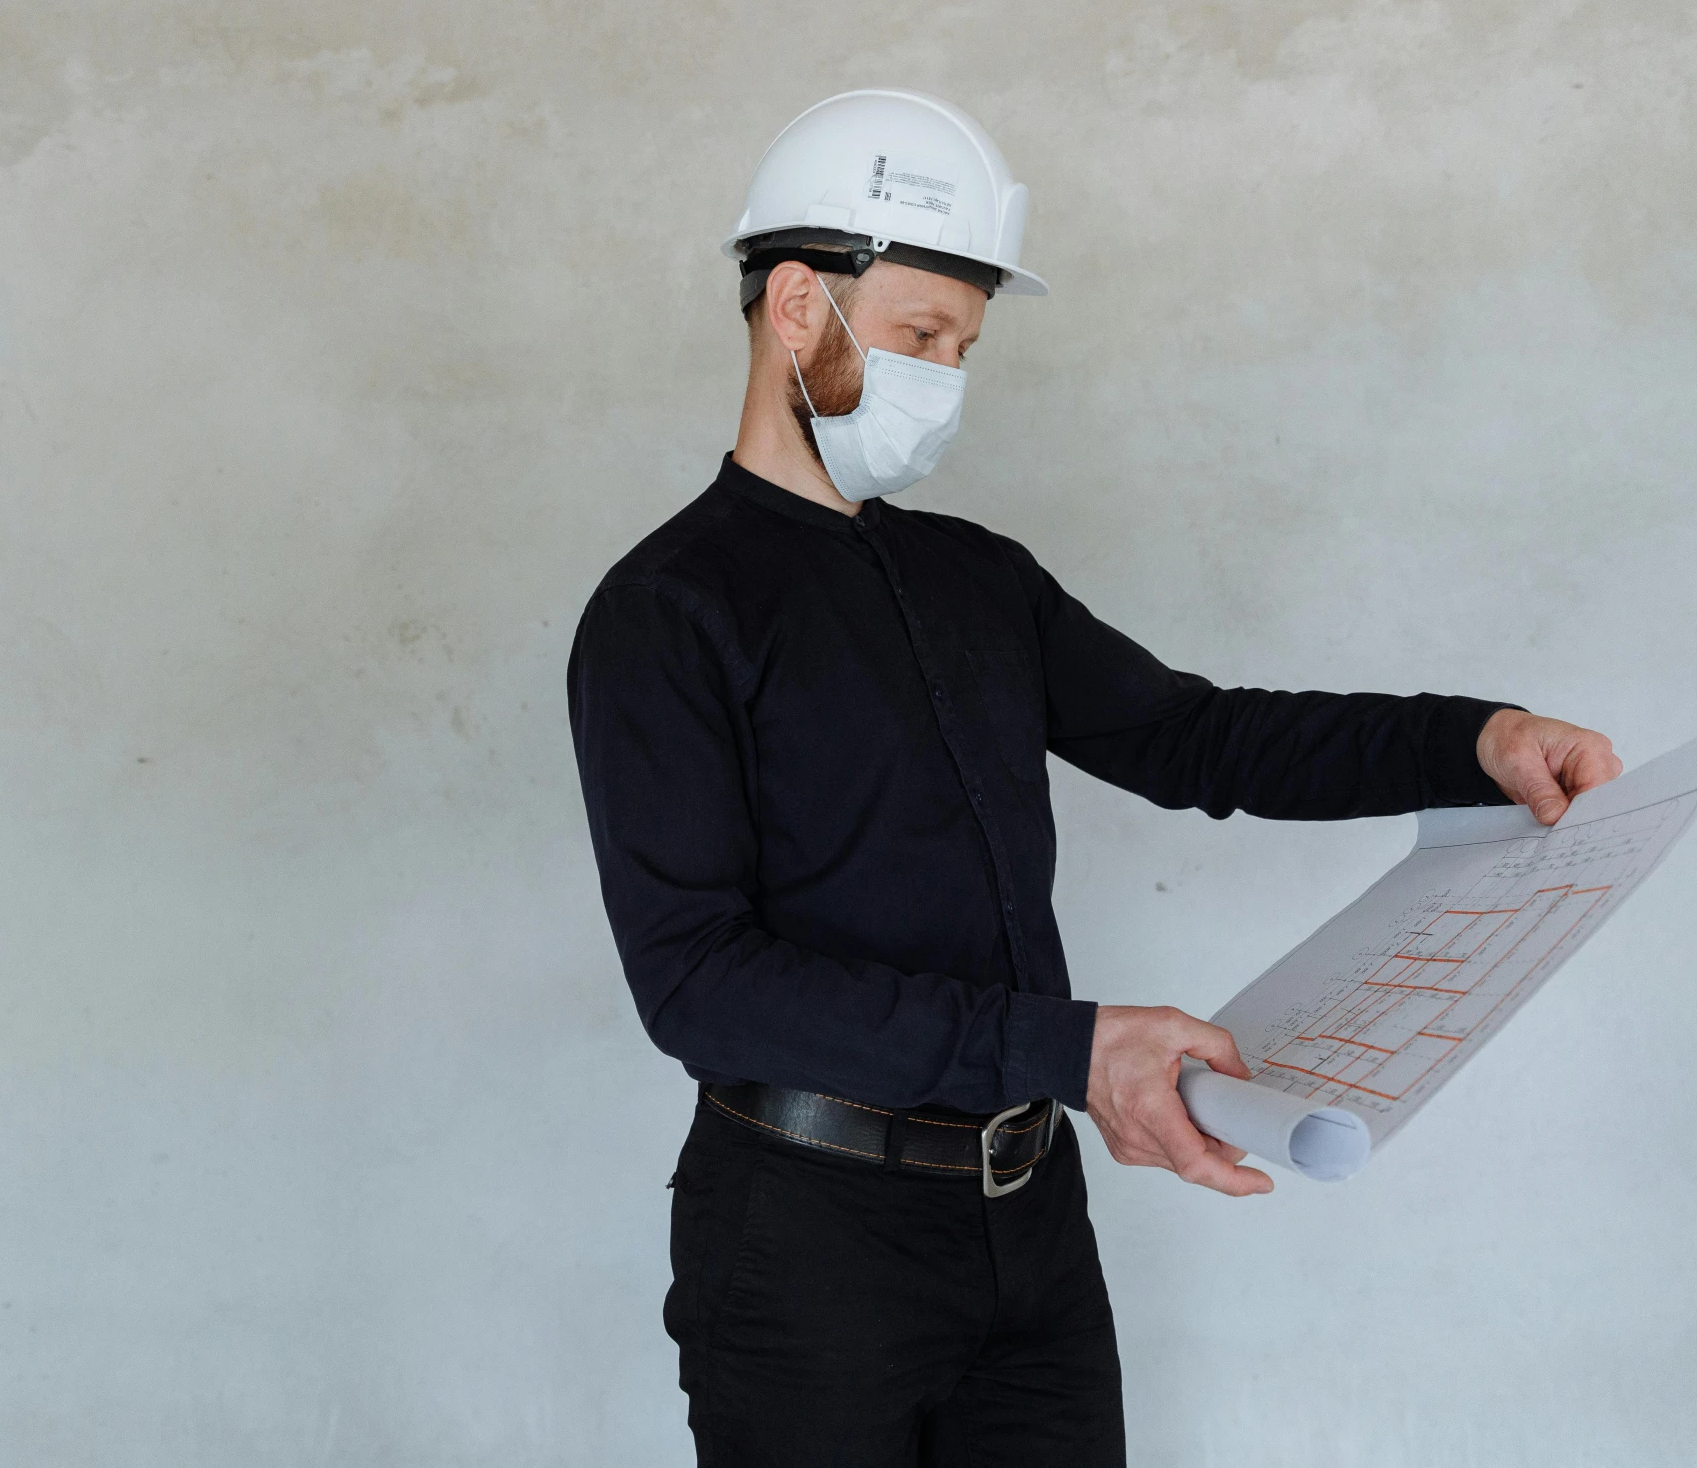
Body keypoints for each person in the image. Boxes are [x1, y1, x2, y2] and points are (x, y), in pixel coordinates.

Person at [564, 89, 1621, 1467]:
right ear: (794, 308)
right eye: (919, 336)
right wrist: (1069, 1047)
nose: (944, 375)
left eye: (964, 346)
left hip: (1030, 1228)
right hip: (804, 1253)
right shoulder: (667, 610)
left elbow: (1198, 738)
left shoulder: (976, 579)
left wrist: (1468, 735)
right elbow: (698, 980)